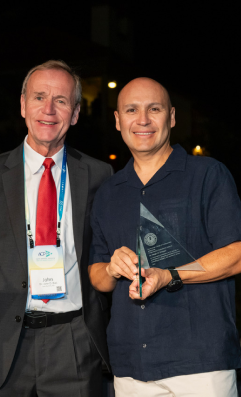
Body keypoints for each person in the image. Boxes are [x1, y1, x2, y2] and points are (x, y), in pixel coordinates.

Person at [0, 60, 112, 397]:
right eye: (39, 97)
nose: (48, 109)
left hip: (74, 343)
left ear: (74, 113)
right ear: (22, 105)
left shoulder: (100, 177)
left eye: (60, 100)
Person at [89, 77, 241, 397]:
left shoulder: (208, 175)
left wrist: (169, 275)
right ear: (118, 121)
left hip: (201, 363)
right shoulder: (107, 193)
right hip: (130, 366)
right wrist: (112, 268)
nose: (142, 120)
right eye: (131, 110)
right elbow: (98, 277)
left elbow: (236, 254)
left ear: (171, 117)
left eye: (153, 109)